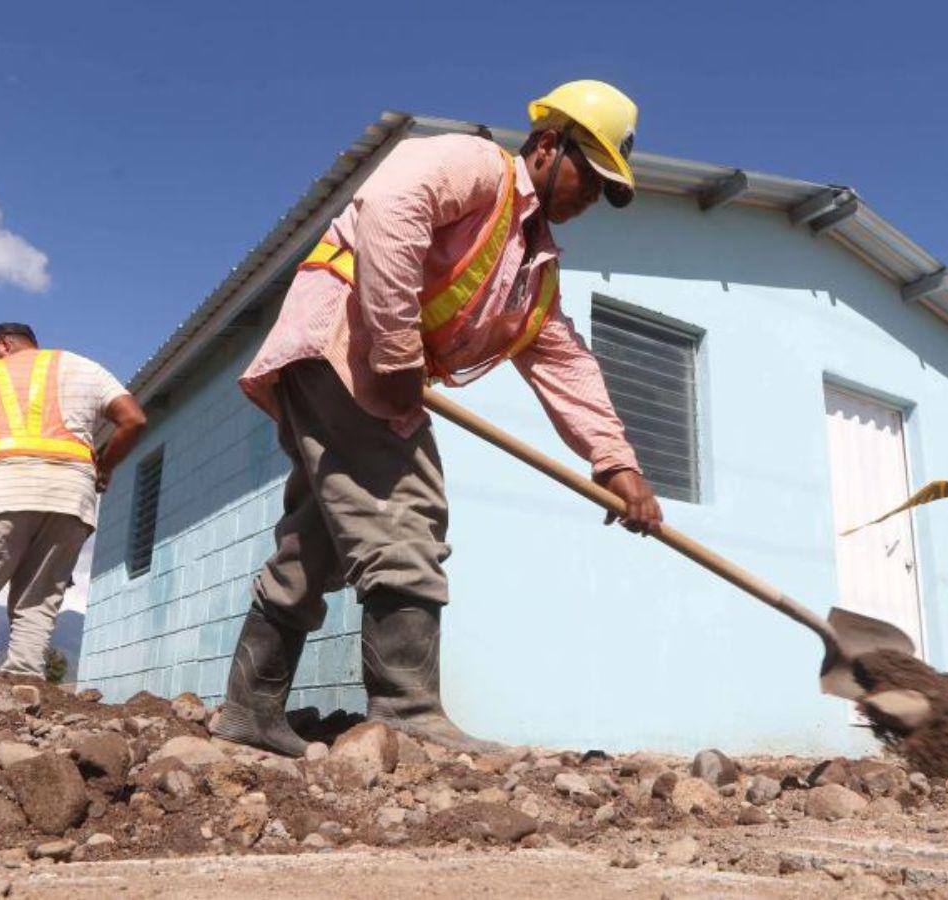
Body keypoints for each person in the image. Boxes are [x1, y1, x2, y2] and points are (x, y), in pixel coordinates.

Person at [212, 80, 662, 755]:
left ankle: (250, 709)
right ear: (547, 145)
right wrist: (396, 351)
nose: (592, 196)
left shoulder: (533, 270)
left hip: (363, 369)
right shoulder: (477, 166)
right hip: (345, 346)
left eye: (605, 188)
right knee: (408, 508)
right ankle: (405, 710)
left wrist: (617, 463)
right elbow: (390, 209)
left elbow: (566, 364)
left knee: (319, 538)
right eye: (590, 175)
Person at [0, 323, 147, 677]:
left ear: (3, 344)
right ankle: (24, 683)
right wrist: (104, 468)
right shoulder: (85, 367)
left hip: (0, 496)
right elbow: (134, 419)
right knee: (38, 600)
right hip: (71, 499)